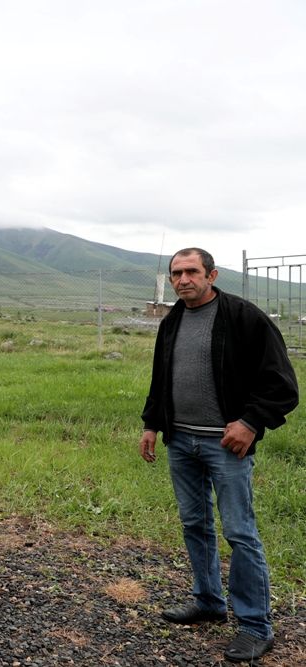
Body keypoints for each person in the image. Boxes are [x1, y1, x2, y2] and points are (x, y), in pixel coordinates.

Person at [140, 248, 298, 664]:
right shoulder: (173, 319)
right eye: (176, 273)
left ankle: (255, 626)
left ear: (211, 274)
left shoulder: (245, 318)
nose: (182, 279)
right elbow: (161, 377)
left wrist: (249, 422)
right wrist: (151, 424)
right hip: (182, 442)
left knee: (240, 533)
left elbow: (282, 385)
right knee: (195, 523)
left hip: (225, 445)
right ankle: (208, 601)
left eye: (191, 271)